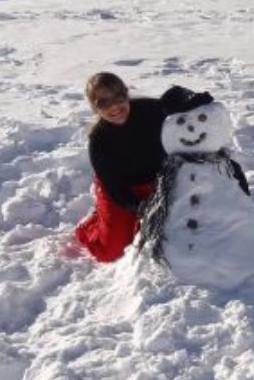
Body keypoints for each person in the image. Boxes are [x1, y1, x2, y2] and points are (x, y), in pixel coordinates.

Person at [73, 73, 205, 262]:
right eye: (103, 102)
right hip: (120, 190)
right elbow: (114, 186)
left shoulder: (150, 110)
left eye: (119, 98)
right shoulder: (99, 140)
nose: (114, 107)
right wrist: (138, 207)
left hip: (157, 183)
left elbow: (177, 98)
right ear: (95, 108)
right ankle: (91, 225)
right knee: (113, 252)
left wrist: (196, 100)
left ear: (127, 94)